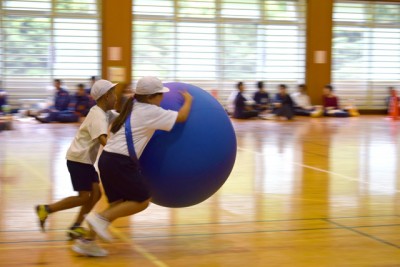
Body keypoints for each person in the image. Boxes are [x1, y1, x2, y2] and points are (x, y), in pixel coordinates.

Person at [72, 76, 193, 257]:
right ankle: (99, 218)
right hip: (120, 161)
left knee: (118, 204)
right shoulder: (152, 111)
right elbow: (182, 117)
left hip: (107, 159)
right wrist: (189, 100)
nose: (163, 98)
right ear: (152, 97)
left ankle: (87, 242)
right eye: (161, 95)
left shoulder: (133, 106)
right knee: (142, 201)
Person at [35, 79, 118, 242]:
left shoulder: (104, 112)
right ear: (106, 96)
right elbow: (102, 138)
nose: (116, 97)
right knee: (84, 197)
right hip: (79, 160)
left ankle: (76, 226)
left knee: (96, 194)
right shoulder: (98, 116)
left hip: (83, 160)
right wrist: (118, 154)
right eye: (113, 94)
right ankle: (46, 209)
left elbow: (120, 117)